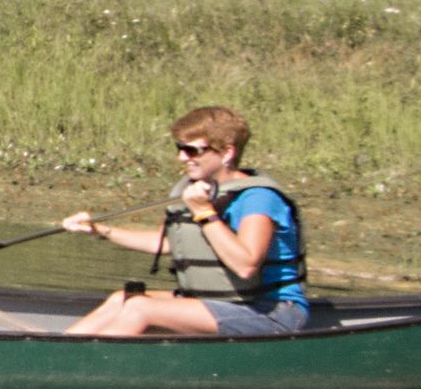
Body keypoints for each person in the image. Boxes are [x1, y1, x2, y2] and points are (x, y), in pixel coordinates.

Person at [58, 106, 308, 338]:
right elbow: (168, 243)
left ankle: (75, 367)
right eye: (179, 148)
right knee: (122, 299)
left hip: (271, 312)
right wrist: (101, 230)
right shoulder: (203, 190)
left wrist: (204, 213)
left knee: (140, 309)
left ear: (227, 152)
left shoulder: (259, 198)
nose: (181, 157)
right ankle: (53, 356)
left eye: (192, 150)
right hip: (226, 303)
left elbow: (245, 265)